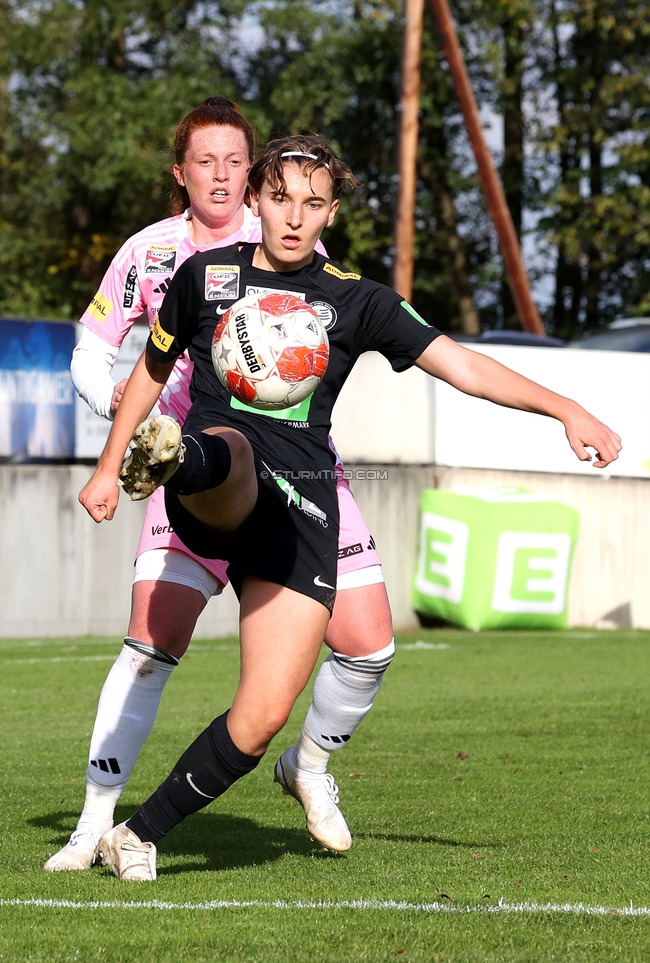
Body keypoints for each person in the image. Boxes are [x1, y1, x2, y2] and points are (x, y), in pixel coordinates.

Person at [78, 135, 621, 881]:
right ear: (256, 200)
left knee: (262, 717)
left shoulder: (357, 298)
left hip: (305, 507)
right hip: (220, 477)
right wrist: (110, 467)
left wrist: (566, 409)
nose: (294, 217)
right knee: (232, 449)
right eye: (280, 199)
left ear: (331, 209)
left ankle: (137, 834)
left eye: (313, 203)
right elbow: (149, 367)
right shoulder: (205, 277)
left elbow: (460, 364)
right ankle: (173, 456)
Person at [44, 103, 395, 872]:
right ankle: (93, 825)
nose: (224, 177)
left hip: (297, 470)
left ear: (258, 174)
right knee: (150, 642)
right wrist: (120, 428)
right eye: (206, 161)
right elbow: (94, 345)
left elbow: (320, 350)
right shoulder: (149, 254)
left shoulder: (286, 236)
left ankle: (310, 767)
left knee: (369, 644)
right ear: (181, 171)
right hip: (184, 468)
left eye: (237, 162)